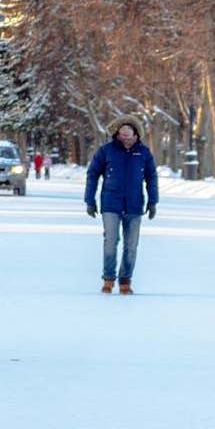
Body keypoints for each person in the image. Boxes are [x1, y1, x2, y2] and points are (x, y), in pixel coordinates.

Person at [84, 115, 159, 295]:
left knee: (131, 245)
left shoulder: (143, 153)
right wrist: (90, 200)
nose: (124, 137)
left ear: (135, 134)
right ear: (117, 134)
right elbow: (92, 175)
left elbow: (151, 177)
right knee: (111, 241)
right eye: (121, 134)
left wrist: (153, 201)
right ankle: (108, 279)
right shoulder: (106, 151)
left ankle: (125, 280)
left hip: (134, 205)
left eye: (128, 134)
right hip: (111, 203)